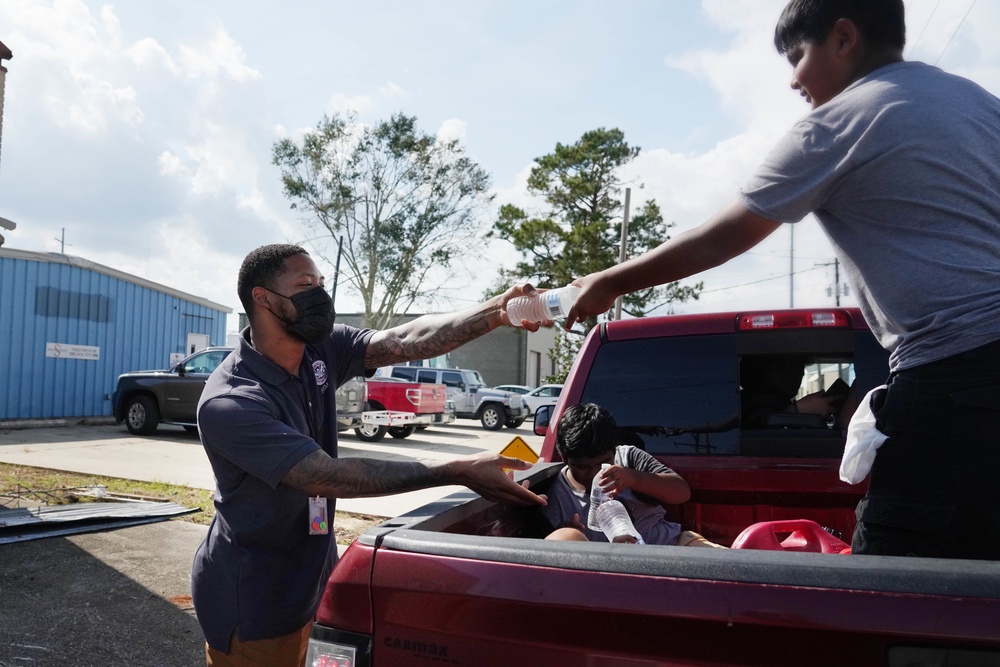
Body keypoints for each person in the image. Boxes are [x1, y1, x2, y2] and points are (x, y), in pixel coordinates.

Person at [561, 0, 1000, 560]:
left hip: (954, 377)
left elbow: (719, 237)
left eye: (797, 56)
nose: (792, 79)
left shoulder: (841, 121)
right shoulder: (980, 104)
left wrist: (609, 281)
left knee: (893, 586)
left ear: (844, 38)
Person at [192, 243, 546, 666]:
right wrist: (457, 470)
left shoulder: (317, 350)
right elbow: (327, 477)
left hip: (315, 578)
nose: (320, 296)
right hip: (257, 600)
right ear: (262, 298)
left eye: (321, 284)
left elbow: (404, 340)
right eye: (305, 285)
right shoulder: (232, 401)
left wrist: (497, 310)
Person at [541, 403, 724, 548]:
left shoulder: (628, 457)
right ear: (565, 458)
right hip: (614, 571)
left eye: (603, 463)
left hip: (670, 547)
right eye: (582, 467)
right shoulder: (558, 495)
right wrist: (565, 531)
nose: (596, 473)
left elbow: (681, 492)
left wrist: (633, 478)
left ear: (614, 451)